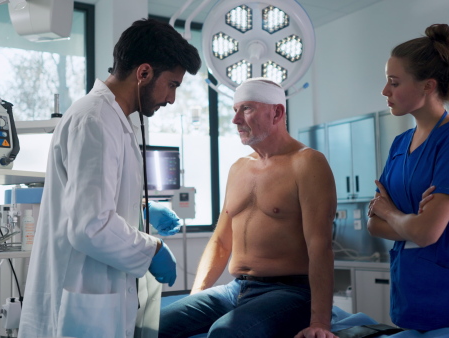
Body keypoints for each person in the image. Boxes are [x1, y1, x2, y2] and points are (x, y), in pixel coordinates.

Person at [18, 19, 201, 338]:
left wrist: (140, 209)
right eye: (172, 84)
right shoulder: (95, 120)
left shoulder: (114, 120)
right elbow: (91, 226)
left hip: (99, 298)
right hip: (78, 304)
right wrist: (153, 249)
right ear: (143, 73)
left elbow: (98, 200)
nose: (171, 99)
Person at [158, 78, 338, 338]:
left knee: (224, 333)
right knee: (153, 326)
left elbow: (320, 246)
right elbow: (220, 242)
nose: (235, 120)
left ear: (276, 112)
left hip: (290, 291)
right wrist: (197, 297)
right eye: (235, 110)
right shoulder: (238, 168)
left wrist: (320, 322)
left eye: (247, 109)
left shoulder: (307, 163)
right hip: (236, 289)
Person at [367, 23, 449, 331]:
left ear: (427, 86)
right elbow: (374, 224)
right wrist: (413, 222)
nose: (385, 91)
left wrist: (391, 212)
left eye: (394, 82)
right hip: (410, 290)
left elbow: (426, 233)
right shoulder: (400, 145)